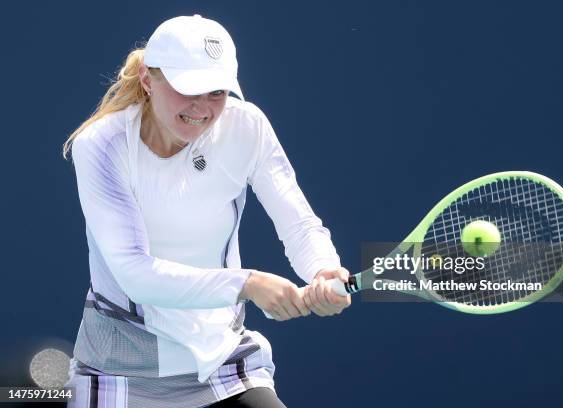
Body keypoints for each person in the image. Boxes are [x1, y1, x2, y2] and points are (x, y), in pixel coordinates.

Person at [63, 14, 351, 408]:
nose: (202, 108)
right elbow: (134, 274)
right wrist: (247, 284)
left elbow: (298, 221)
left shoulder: (246, 126)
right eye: (188, 90)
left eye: (216, 91)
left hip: (223, 361)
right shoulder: (103, 144)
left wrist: (323, 268)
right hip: (121, 370)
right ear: (149, 79)